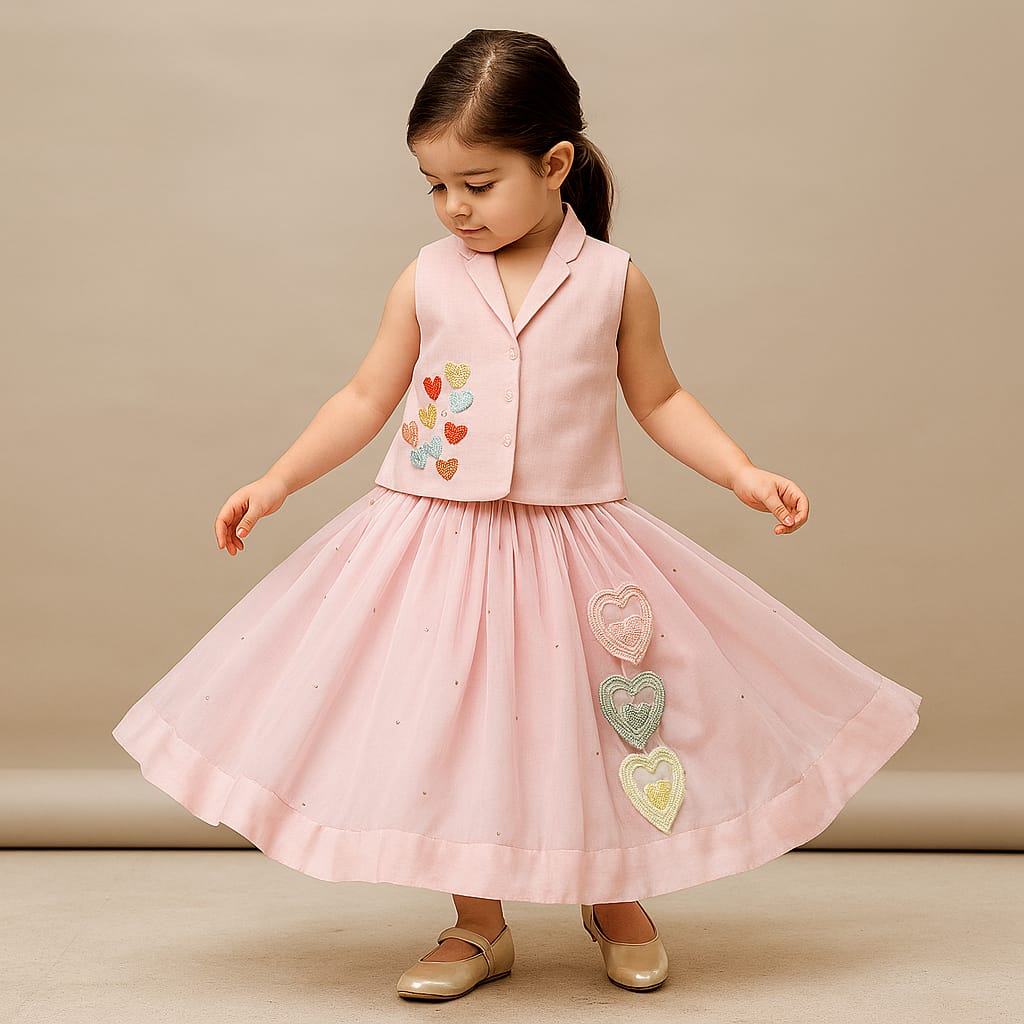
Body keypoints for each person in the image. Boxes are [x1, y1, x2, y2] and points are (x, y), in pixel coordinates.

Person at [112, 27, 923, 1002]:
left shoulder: (613, 280)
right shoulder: (427, 276)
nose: (455, 207)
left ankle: (615, 897)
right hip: (434, 543)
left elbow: (660, 397)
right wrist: (278, 479)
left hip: (569, 545)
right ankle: (477, 923)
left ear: (554, 164)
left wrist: (740, 472)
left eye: (478, 183)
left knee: (596, 723)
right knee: (461, 732)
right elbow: (366, 397)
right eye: (435, 186)